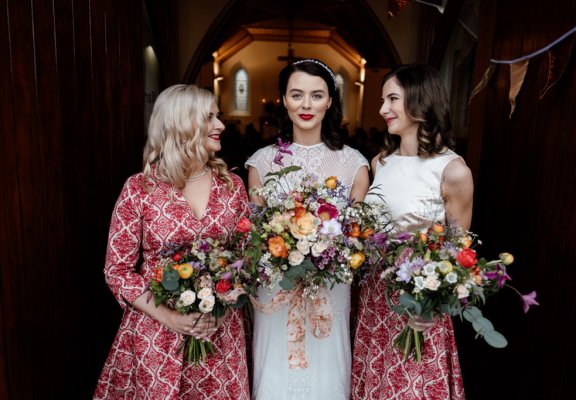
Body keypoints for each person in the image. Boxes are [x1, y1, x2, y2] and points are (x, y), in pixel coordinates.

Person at [94, 84, 251, 399]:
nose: (220, 125)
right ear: (182, 123)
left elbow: (249, 257)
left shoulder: (232, 186)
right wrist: (171, 318)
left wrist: (217, 311)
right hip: (156, 333)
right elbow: (117, 269)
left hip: (218, 333)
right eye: (209, 118)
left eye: (218, 117)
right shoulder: (140, 188)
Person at [245, 58, 370, 400]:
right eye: (297, 95)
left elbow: (356, 239)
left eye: (317, 95)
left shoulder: (354, 164)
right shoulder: (261, 163)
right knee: (277, 373)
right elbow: (256, 234)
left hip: (330, 289)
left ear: (330, 100)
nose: (306, 104)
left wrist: (324, 250)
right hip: (277, 288)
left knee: (327, 372)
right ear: (284, 100)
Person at [351, 64, 473, 400]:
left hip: (418, 304)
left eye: (392, 99)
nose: (382, 109)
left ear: (420, 102)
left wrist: (432, 304)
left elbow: (458, 251)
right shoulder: (380, 163)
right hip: (376, 296)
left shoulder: (453, 170)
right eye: (382, 100)